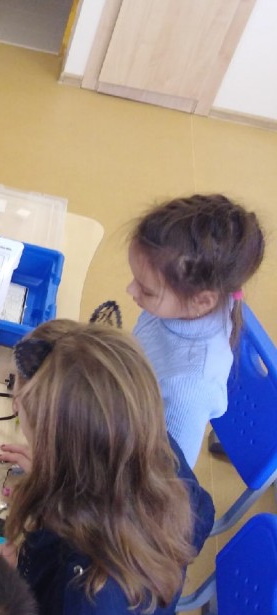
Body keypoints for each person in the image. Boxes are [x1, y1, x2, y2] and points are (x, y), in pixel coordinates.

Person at [0, 320, 215, 615]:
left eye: (25, 415)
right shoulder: (152, 452)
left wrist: (18, 614)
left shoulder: (90, 604)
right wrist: (57, 469)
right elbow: (202, 511)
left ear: (71, 454)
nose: (15, 410)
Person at [127, 193, 264, 467]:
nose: (130, 290)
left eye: (146, 290)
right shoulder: (183, 302)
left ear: (201, 301)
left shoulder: (187, 392)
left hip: (134, 450)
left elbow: (171, 473)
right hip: (131, 394)